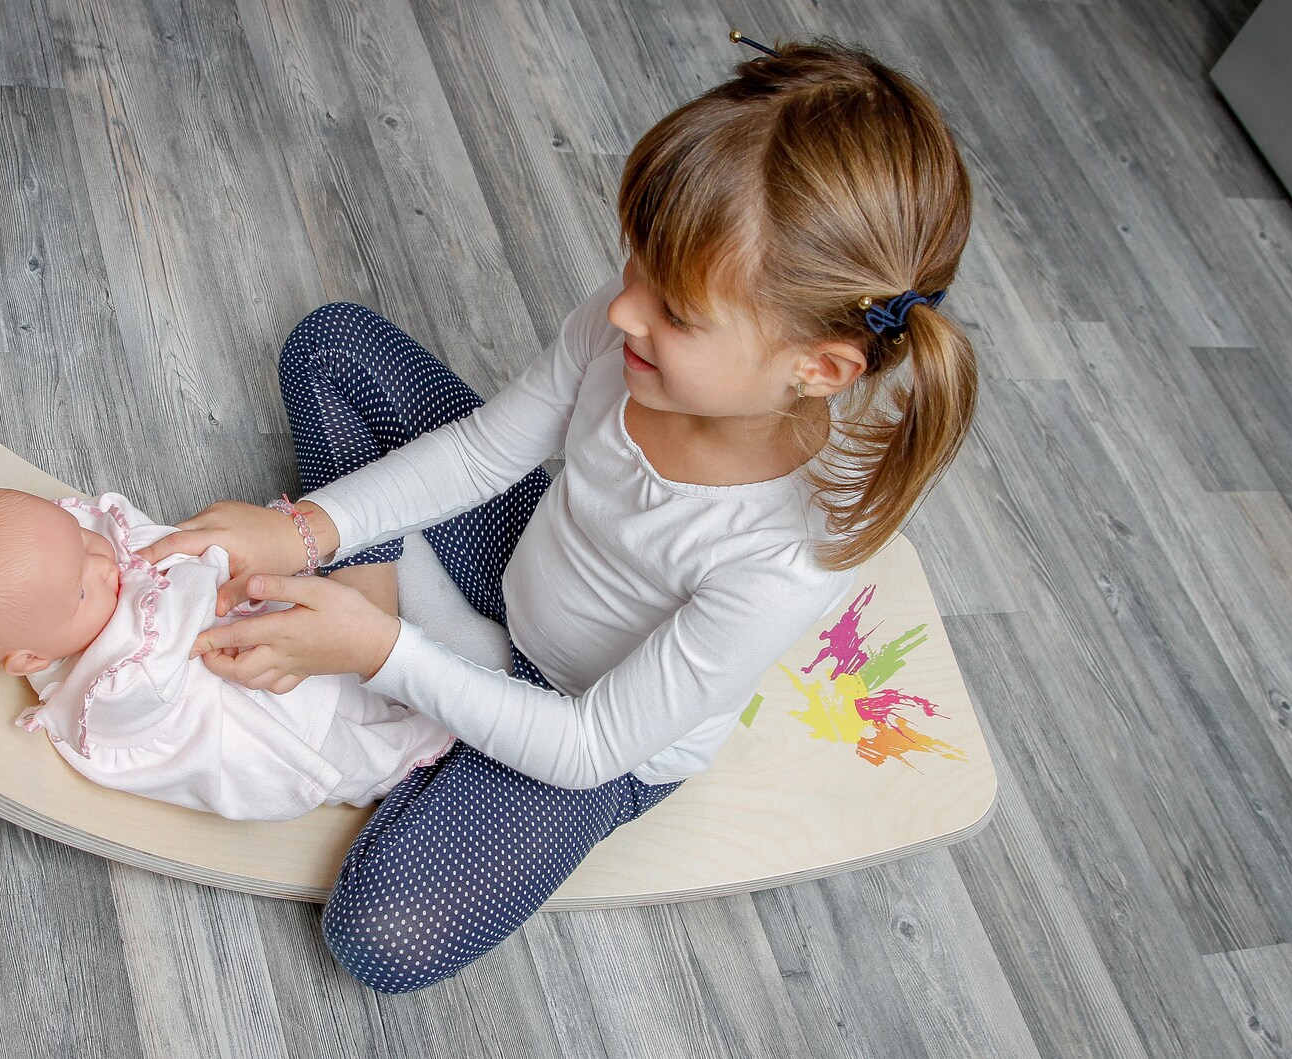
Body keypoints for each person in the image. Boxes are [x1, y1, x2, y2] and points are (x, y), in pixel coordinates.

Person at [138, 38, 978, 992]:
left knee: (383, 937)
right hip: (525, 562)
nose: (624, 310)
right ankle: (404, 629)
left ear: (817, 368)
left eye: (676, 311)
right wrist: (306, 533)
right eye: (636, 267)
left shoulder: (786, 554)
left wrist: (381, 655)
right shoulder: (636, 326)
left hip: (589, 728)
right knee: (332, 347)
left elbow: (585, 747)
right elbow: (485, 453)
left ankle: (420, 686)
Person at [0, 488, 454, 821]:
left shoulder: (68, 566)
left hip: (248, 644)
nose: (103, 563)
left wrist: (151, 554)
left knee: (312, 630)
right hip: (251, 726)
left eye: (79, 539)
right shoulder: (109, 688)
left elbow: (117, 530)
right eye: (81, 590)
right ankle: (421, 743)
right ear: (28, 658)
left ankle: (397, 646)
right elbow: (178, 617)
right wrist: (192, 571)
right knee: (345, 733)